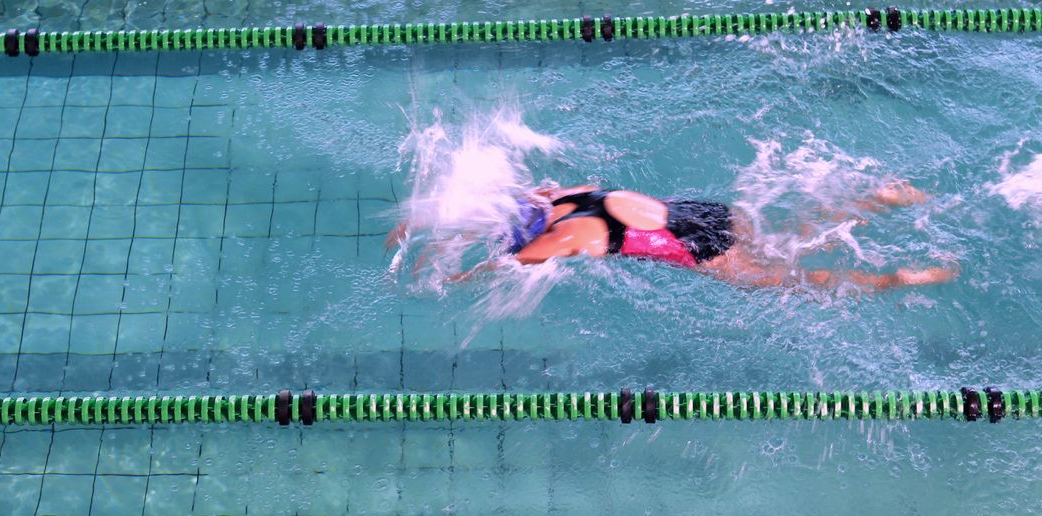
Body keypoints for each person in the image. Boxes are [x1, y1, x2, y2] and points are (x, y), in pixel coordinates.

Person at [391, 182, 958, 291]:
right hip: (708, 212)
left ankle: (897, 277)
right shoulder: (563, 199)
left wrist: (461, 275)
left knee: (788, 281)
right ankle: (870, 201)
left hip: (698, 250)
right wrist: (420, 222)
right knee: (787, 238)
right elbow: (519, 199)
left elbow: (516, 264)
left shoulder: (556, 240)